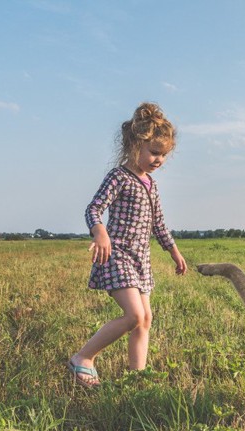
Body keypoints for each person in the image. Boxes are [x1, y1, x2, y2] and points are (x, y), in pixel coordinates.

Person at [67, 102, 187, 388]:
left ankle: (137, 379)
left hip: (140, 259)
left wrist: (174, 252)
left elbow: (159, 223)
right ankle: (82, 358)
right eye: (154, 152)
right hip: (117, 254)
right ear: (135, 145)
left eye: (164, 155)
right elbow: (93, 209)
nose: (159, 160)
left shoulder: (151, 185)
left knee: (145, 319)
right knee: (133, 315)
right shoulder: (118, 177)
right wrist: (100, 233)